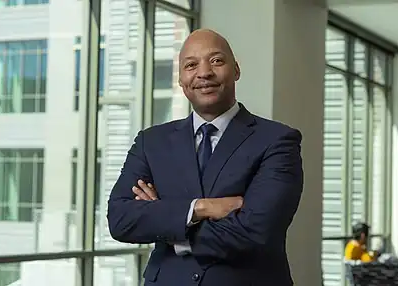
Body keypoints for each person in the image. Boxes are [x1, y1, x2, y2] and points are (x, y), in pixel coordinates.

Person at [107, 28, 304, 286]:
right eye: (191, 65)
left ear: (236, 70)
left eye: (216, 61)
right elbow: (120, 219)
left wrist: (166, 221)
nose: (204, 73)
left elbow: (255, 232)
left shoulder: (278, 140)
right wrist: (200, 208)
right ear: (180, 79)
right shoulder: (151, 142)